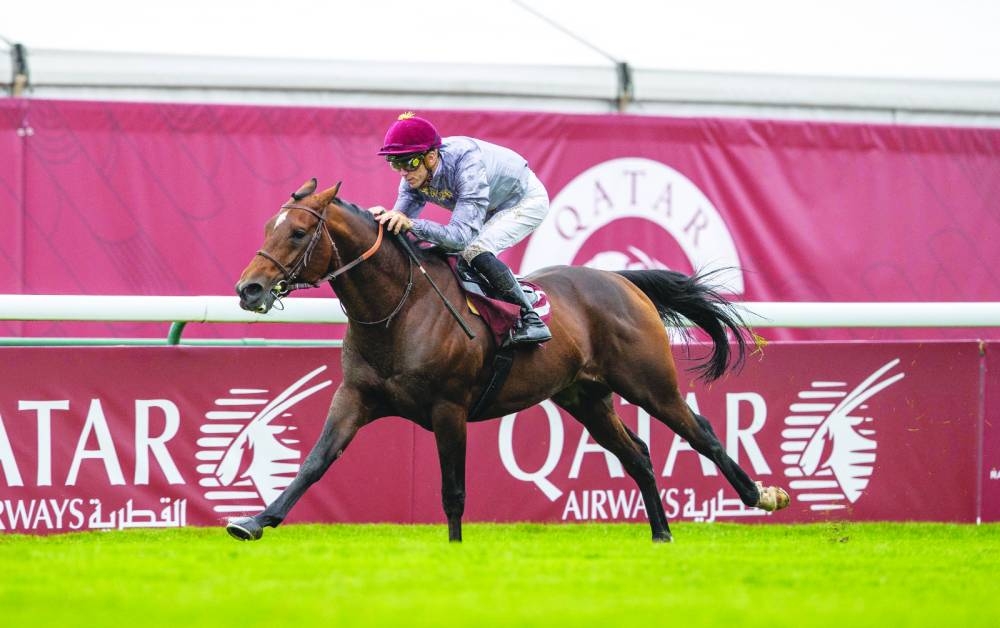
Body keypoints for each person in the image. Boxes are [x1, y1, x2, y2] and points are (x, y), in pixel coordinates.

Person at [370, 112, 552, 345]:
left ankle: (532, 318)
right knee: (452, 255)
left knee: (474, 250)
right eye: (395, 164)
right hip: (490, 204)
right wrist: (380, 220)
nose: (404, 172)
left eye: (409, 162)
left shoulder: (467, 164)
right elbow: (399, 222)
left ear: (432, 156)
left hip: (524, 199)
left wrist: (412, 224)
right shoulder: (412, 176)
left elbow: (460, 238)